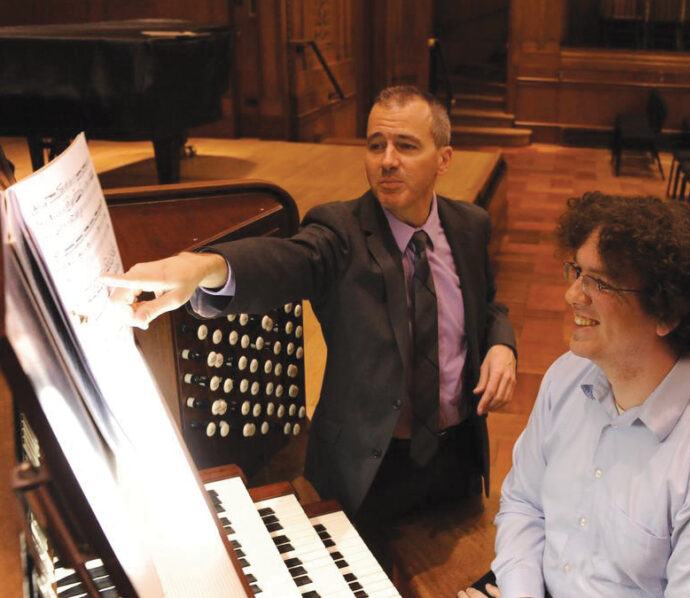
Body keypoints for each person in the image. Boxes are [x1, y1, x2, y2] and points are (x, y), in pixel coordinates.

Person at [102, 86, 517, 555]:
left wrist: (501, 343)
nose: (387, 160)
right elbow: (286, 261)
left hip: (456, 458)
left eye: (405, 146)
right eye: (375, 144)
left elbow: (487, 304)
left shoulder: (469, 225)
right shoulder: (340, 232)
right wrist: (204, 268)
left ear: (444, 159)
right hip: (367, 470)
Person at [460, 193, 690, 598]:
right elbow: (525, 503)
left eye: (600, 282)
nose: (572, 295)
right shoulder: (568, 374)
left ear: (668, 312)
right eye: (578, 272)